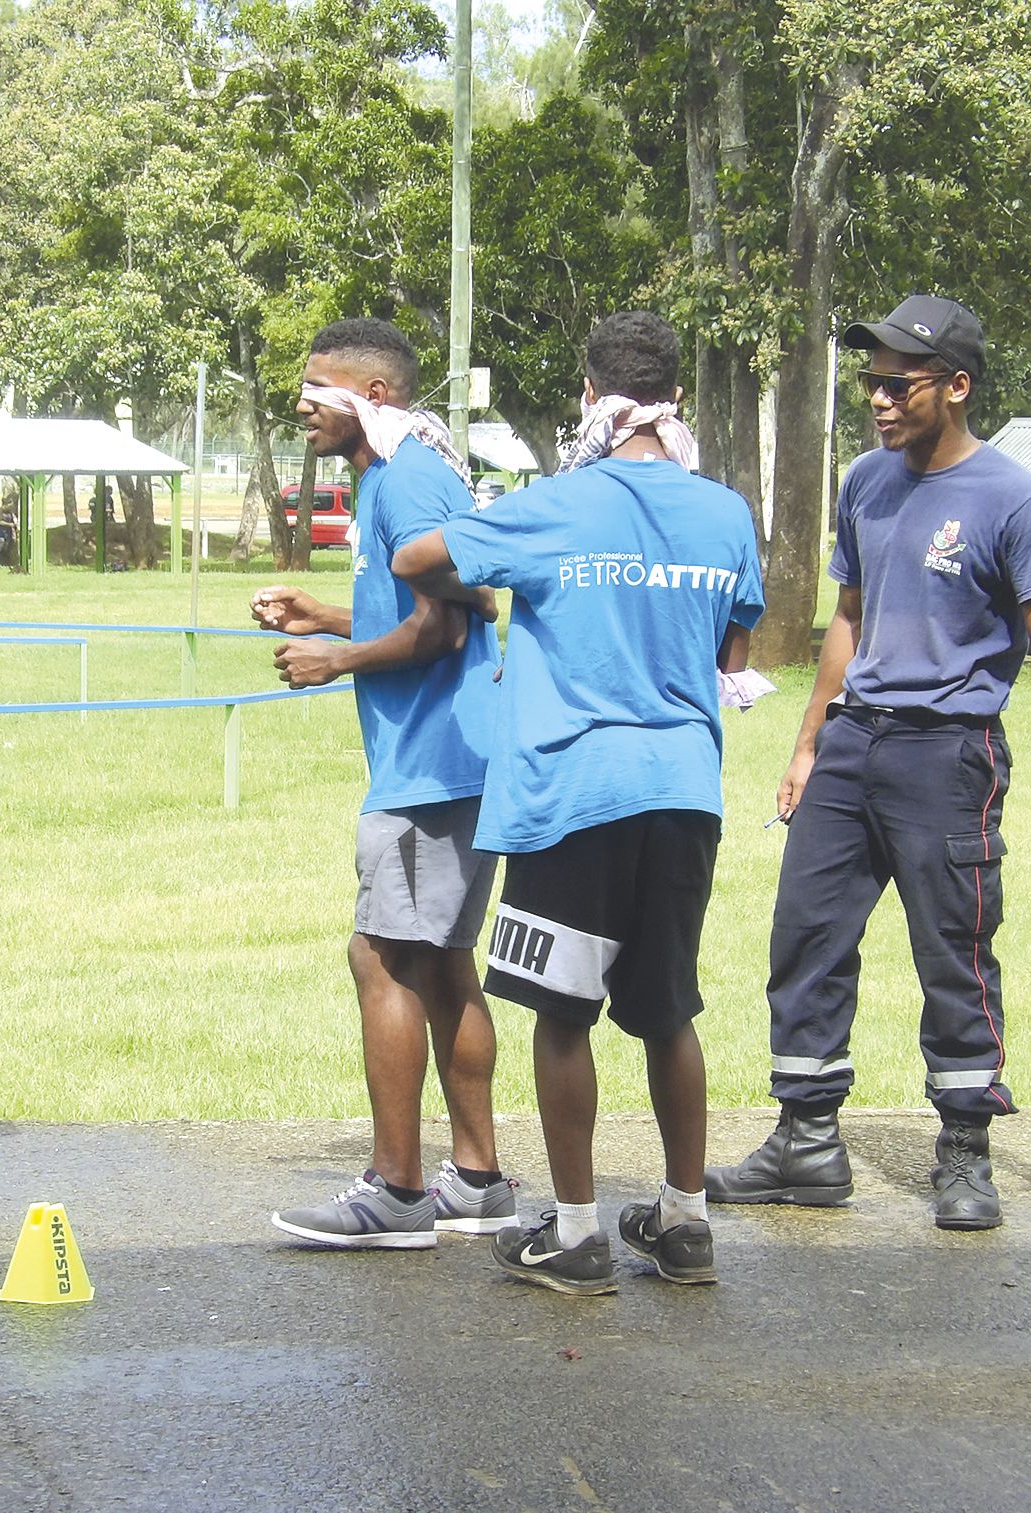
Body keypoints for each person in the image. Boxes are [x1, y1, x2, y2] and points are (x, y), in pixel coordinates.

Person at [706, 294, 1031, 1233]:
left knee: (953, 950)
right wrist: (808, 744)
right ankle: (805, 1142)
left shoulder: (1015, 498)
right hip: (852, 743)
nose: (878, 400)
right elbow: (848, 617)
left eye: (899, 383)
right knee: (805, 937)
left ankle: (964, 1150)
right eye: (871, 382)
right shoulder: (865, 481)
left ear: (956, 386)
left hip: (948, 751)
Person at [394, 311, 766, 1295]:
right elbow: (732, 653)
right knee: (667, 1011)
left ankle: (573, 1233)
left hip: (569, 795)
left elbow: (414, 559)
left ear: (592, 396)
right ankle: (684, 1223)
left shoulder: (552, 504)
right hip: (682, 792)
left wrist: (496, 562)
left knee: (562, 1016)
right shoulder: (725, 512)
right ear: (675, 398)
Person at [252, 318, 514, 1250]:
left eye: (316, 388)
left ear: (375, 396)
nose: (301, 404)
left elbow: (447, 627)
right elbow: (423, 606)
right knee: (438, 960)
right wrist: (327, 613)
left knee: (384, 959)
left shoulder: (406, 480)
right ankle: (476, 1180)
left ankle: (397, 1191)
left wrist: (337, 659)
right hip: (447, 758)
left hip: (432, 764)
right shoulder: (393, 476)